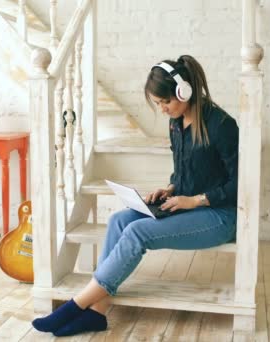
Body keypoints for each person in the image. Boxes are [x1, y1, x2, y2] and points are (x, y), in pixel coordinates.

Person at [32, 55, 239, 337]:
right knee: (119, 220)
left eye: (165, 102)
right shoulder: (177, 123)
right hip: (188, 206)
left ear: (184, 91)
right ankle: (97, 311)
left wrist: (196, 200)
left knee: (138, 232)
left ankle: (77, 305)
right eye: (158, 104)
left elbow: (240, 183)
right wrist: (171, 188)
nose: (163, 109)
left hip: (220, 216)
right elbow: (186, 171)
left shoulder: (222, 125)